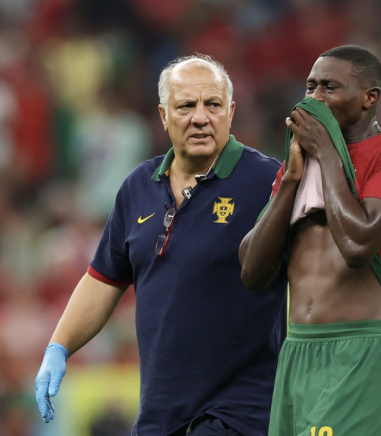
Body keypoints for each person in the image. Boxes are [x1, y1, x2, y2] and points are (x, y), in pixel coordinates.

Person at [34, 54, 289, 436]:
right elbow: (103, 278)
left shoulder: (268, 181)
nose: (200, 117)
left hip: (241, 413)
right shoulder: (138, 186)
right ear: (164, 115)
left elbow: (317, 260)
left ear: (231, 112)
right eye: (186, 106)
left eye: (213, 105)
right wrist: (58, 347)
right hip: (161, 413)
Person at [239, 45, 381, 435]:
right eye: (310, 86)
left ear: (369, 97)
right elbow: (253, 271)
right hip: (295, 353)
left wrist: (327, 151)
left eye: (329, 87)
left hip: (357, 351)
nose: (315, 98)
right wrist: (291, 180)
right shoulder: (299, 165)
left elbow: (358, 245)